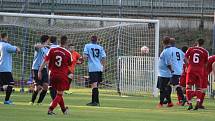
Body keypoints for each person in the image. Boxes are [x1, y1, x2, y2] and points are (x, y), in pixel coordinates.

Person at [38, 35, 72, 115]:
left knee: (58, 94)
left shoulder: (52, 50)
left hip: (52, 74)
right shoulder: (67, 53)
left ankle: (64, 110)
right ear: (66, 43)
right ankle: (50, 109)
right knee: (60, 94)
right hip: (62, 75)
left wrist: (40, 71)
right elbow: (69, 64)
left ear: (60, 42)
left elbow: (45, 61)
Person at [184, 38, 208, 110]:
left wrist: (188, 66)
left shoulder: (191, 49)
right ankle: (198, 102)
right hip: (200, 70)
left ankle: (190, 103)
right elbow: (206, 63)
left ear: (196, 42)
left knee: (188, 87)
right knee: (199, 88)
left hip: (191, 69)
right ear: (203, 44)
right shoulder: (205, 52)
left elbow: (185, 58)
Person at [83, 35, 106, 106]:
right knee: (96, 85)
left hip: (93, 68)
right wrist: (103, 66)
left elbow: (85, 56)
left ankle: (95, 102)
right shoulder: (100, 47)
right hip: (99, 67)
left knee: (94, 85)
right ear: (97, 40)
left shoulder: (87, 46)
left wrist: (82, 59)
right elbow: (104, 57)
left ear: (91, 40)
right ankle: (96, 101)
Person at [0, 32, 21, 104]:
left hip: (1, 67)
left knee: (3, 85)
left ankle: (6, 100)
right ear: (6, 37)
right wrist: (16, 48)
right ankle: (6, 100)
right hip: (5, 68)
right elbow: (17, 50)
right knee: (11, 83)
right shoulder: (6, 45)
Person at [30, 35, 50, 105]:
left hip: (43, 68)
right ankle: (32, 101)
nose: (49, 41)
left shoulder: (47, 49)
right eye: (48, 40)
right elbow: (36, 46)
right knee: (38, 87)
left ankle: (39, 102)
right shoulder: (39, 47)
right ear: (46, 40)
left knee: (46, 86)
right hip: (36, 68)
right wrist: (44, 45)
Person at [156, 36, 174, 108]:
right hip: (163, 73)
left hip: (164, 74)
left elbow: (168, 63)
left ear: (163, 42)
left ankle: (161, 103)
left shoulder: (166, 51)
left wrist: (171, 70)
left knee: (162, 89)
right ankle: (169, 103)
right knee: (165, 88)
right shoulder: (167, 50)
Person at [169, 38, 186, 106]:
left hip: (173, 70)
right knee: (174, 84)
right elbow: (186, 60)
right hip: (179, 71)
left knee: (169, 85)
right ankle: (182, 98)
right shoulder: (179, 51)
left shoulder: (168, 50)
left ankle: (167, 100)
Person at [48, 36, 59, 100]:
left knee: (51, 86)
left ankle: (54, 100)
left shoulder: (49, 47)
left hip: (52, 68)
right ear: (56, 41)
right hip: (60, 69)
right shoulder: (59, 47)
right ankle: (57, 100)